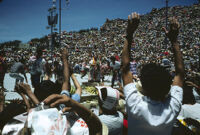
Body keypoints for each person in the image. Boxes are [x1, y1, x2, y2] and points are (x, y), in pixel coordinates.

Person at [122, 12, 184, 135]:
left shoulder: (134, 104)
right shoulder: (173, 106)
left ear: (143, 86)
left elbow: (125, 68)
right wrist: (174, 41)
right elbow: (180, 74)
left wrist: (129, 34)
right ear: (168, 87)